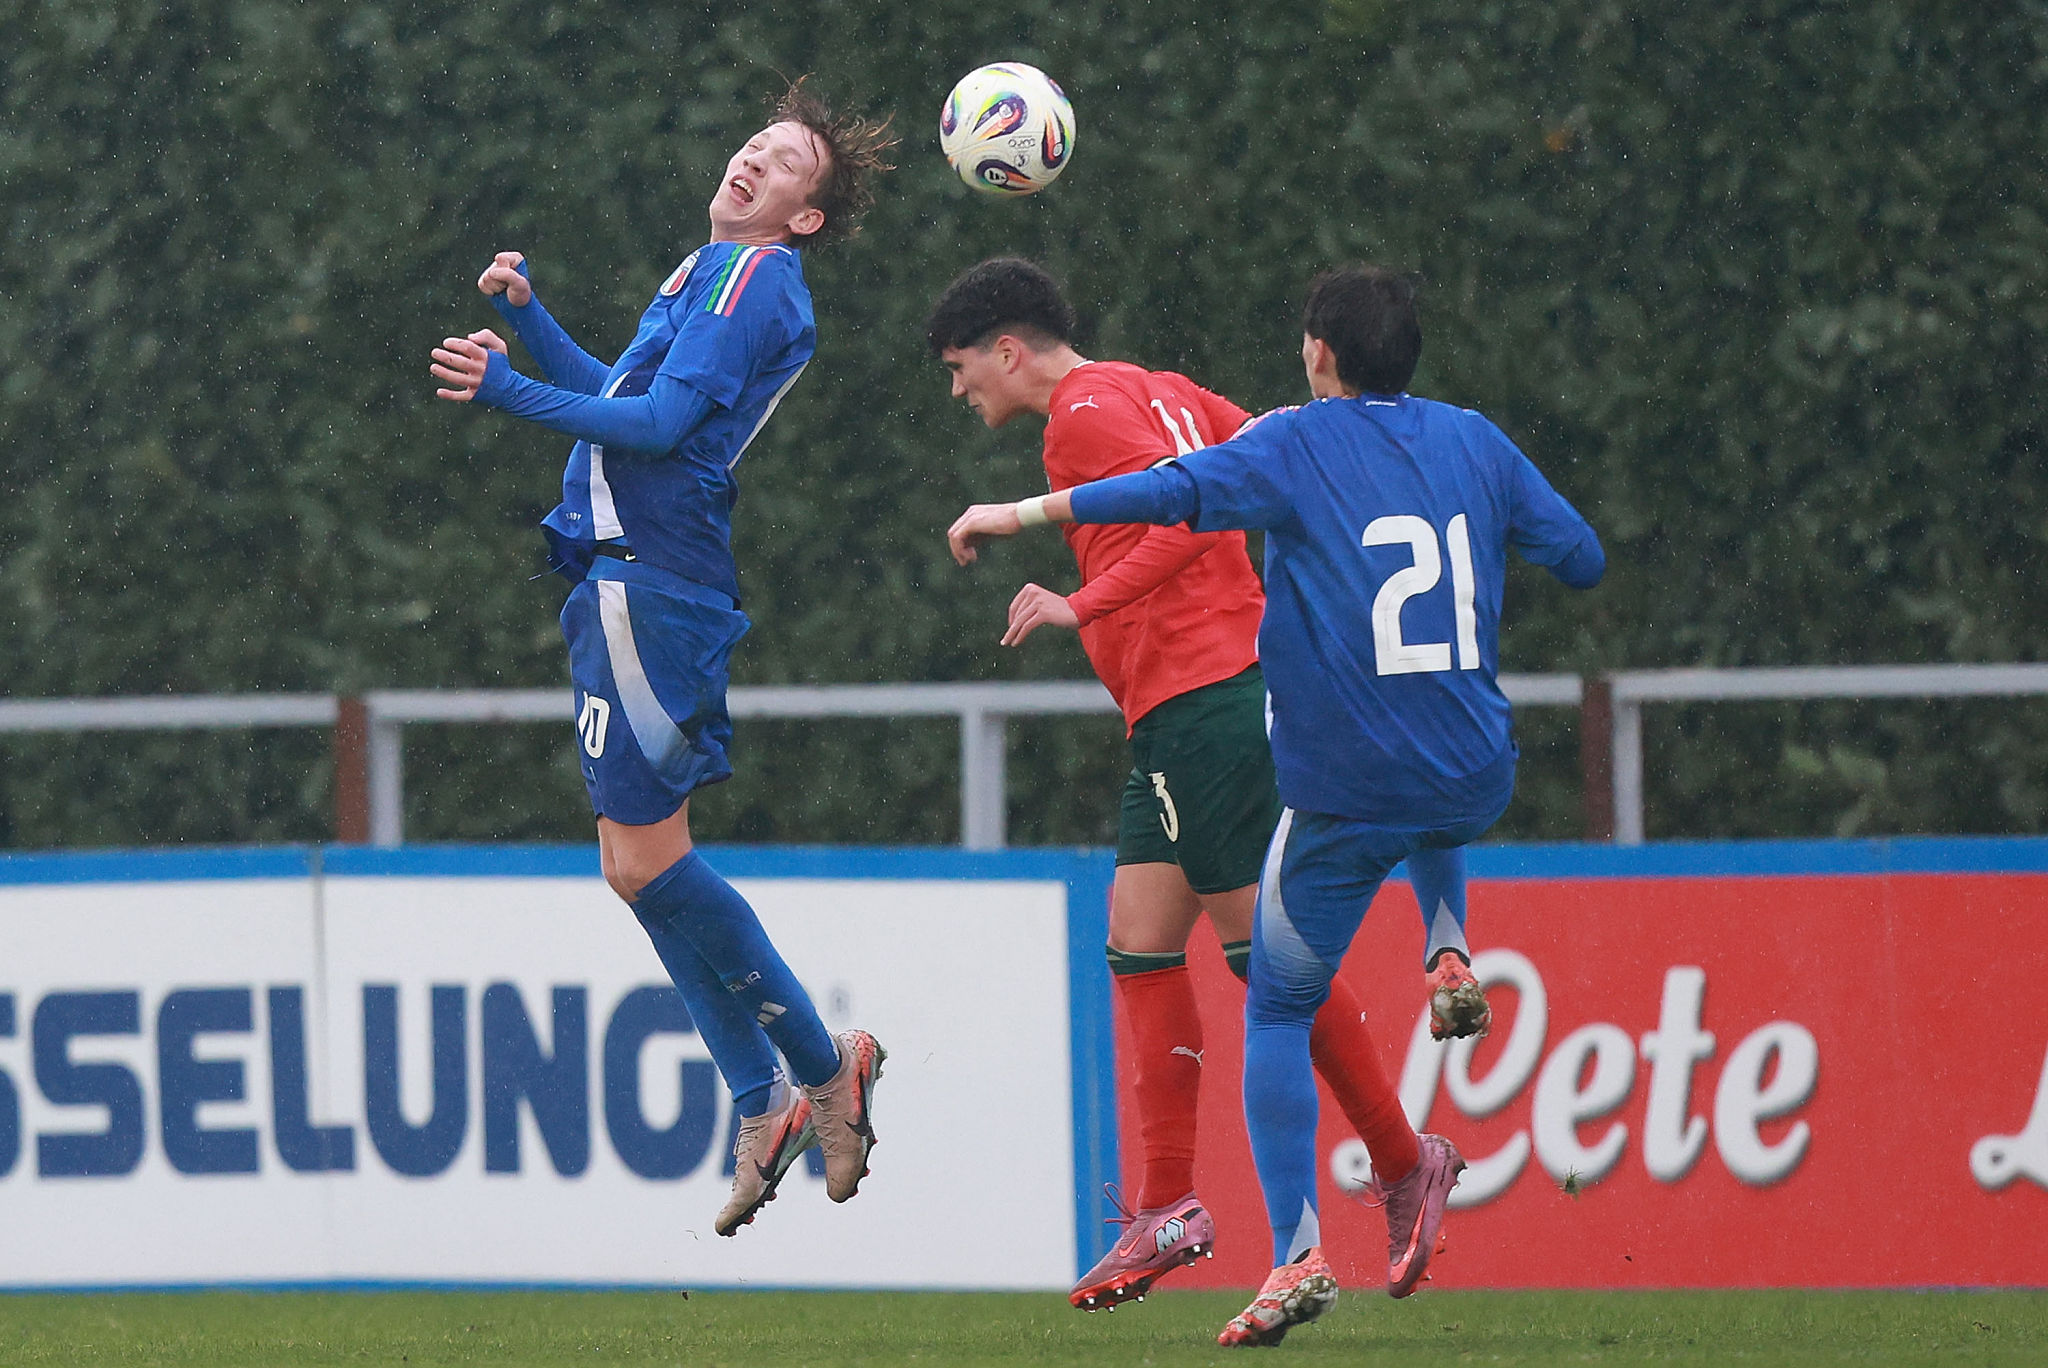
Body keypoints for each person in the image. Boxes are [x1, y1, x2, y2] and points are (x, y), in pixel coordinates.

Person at [946, 265, 1604, 1347]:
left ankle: (1388, 1170)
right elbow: (1247, 451)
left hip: (1206, 695)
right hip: (1187, 710)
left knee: (1272, 976)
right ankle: (1168, 1202)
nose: (958, 387)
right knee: (1140, 940)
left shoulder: (1082, 417)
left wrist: (1077, 594)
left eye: (960, 364)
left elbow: (1181, 514)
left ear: (1006, 349)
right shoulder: (1156, 384)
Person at [429, 81, 896, 1239]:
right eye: (754, 143)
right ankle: (766, 1098)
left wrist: (506, 388)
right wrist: (534, 325)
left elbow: (654, 431)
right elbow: (624, 395)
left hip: (656, 580)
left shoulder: (751, 277)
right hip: (627, 577)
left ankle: (817, 1068)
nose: (753, 160)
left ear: (804, 217)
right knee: (631, 866)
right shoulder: (713, 269)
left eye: (783, 164)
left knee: (649, 862)